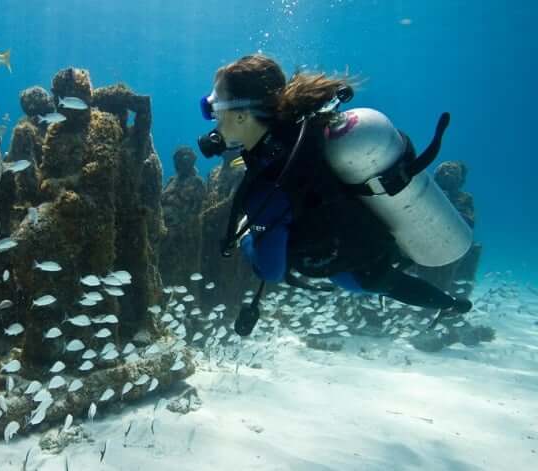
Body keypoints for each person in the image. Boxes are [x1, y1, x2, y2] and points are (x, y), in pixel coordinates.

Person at [196, 54, 473, 336]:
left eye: (215, 110)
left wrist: (247, 241)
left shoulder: (269, 185)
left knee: (377, 282)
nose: (213, 121)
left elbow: (271, 271)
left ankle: (448, 303)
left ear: (242, 115)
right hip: (366, 228)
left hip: (353, 264)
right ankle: (450, 303)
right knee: (386, 280)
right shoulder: (300, 127)